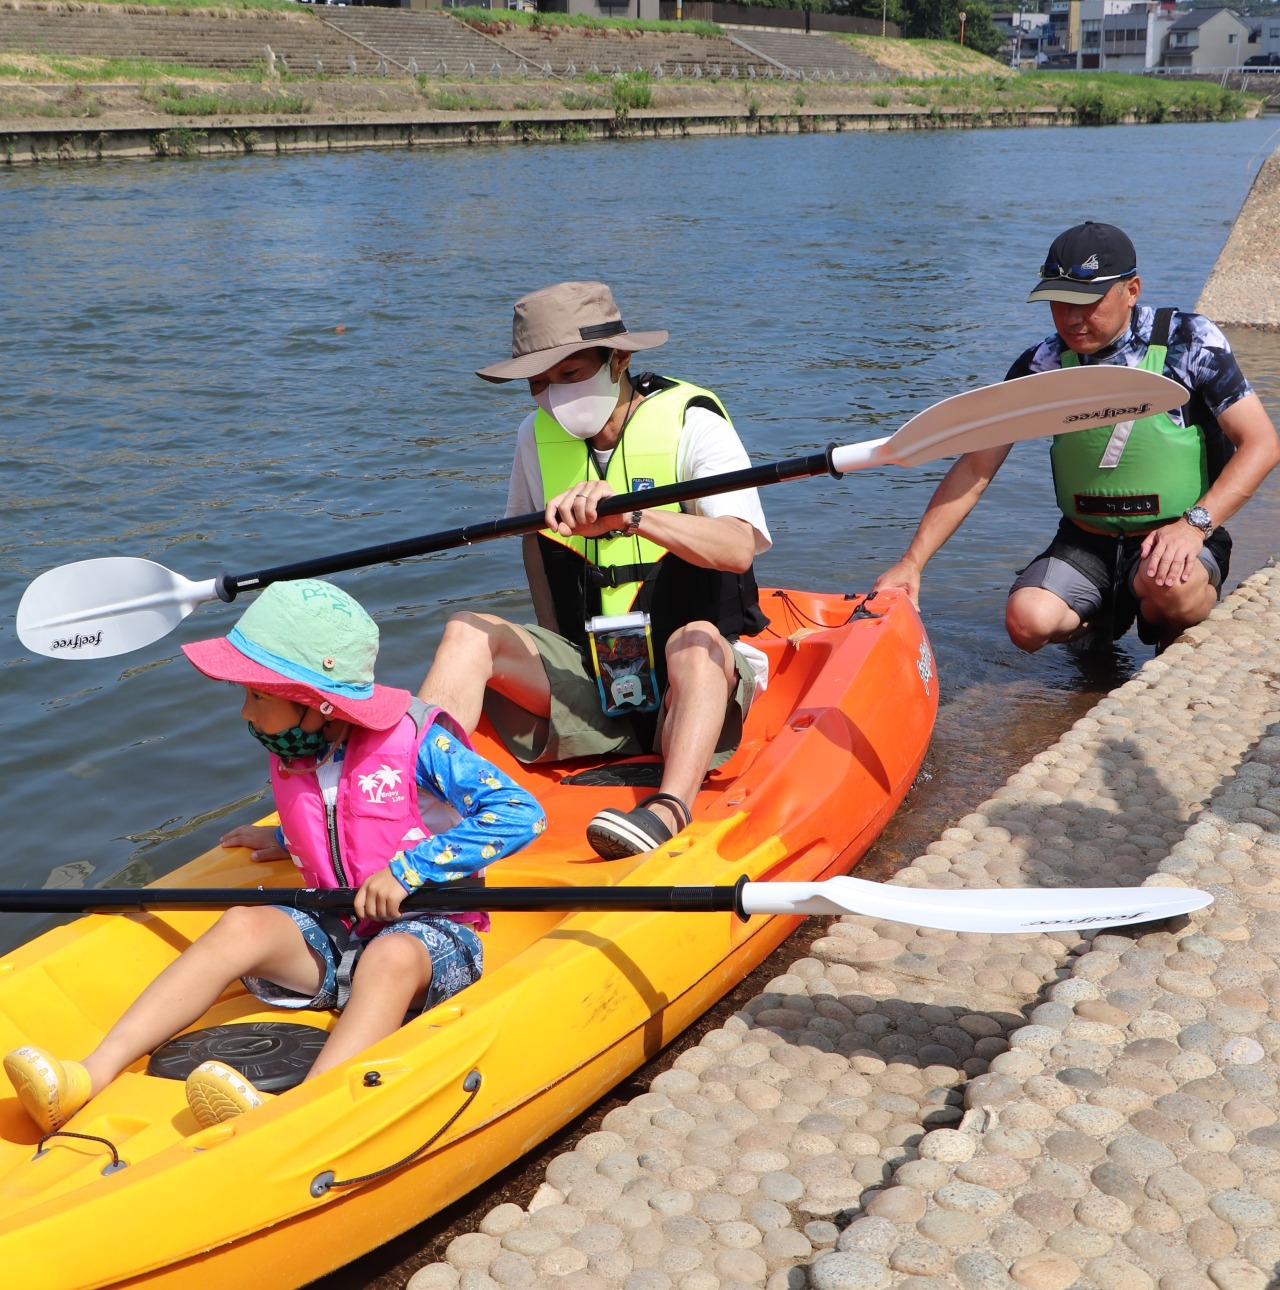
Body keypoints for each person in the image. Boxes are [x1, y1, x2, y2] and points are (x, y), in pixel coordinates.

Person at [4, 579, 545, 1134]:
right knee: (242, 926)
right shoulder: (302, 749)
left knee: (391, 957)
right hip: (336, 931)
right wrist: (288, 841)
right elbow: (345, 818)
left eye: (258, 696)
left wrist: (411, 872)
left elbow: (518, 812)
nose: (246, 712)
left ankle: (302, 1113)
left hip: (431, 940)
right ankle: (89, 1075)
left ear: (318, 702)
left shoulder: (420, 742)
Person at [417, 281, 772, 860]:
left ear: (620, 360)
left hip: (693, 676)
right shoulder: (534, 437)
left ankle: (668, 806)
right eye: (538, 380)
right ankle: (418, 800)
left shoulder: (694, 420)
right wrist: (552, 654)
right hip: (595, 670)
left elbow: (738, 549)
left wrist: (634, 516)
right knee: (465, 630)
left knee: (697, 640)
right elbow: (534, 547)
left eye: (570, 372)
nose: (552, 394)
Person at [873, 222, 1280, 654]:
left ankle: (1172, 635)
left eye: (1087, 302)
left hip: (1179, 535)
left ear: (1133, 289)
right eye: (1059, 301)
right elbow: (976, 466)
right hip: (1087, 540)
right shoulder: (1042, 364)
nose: (1070, 318)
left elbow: (1262, 444)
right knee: (1026, 621)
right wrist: (911, 563)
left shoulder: (1190, 340)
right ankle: (1099, 617)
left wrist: (1194, 526)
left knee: (1170, 586)